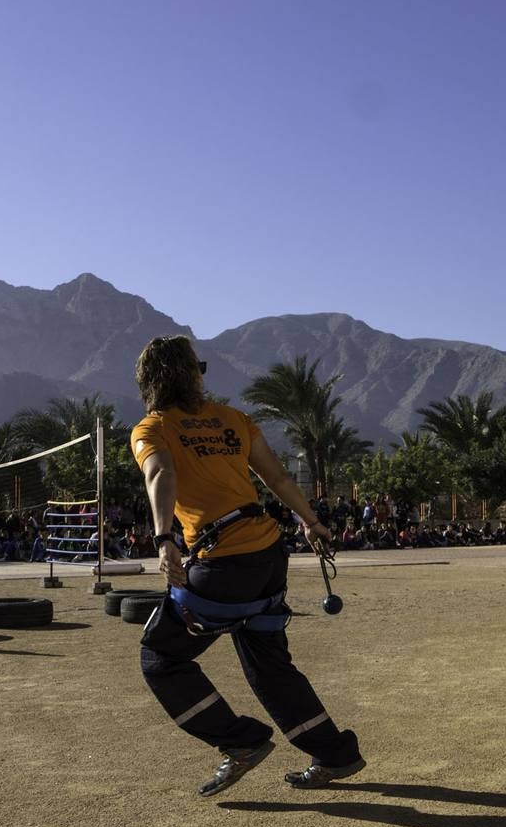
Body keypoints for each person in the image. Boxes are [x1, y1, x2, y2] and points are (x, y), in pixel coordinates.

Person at [131, 335, 364, 798]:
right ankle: (335, 754)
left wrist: (163, 540)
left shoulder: (152, 428)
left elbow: (161, 473)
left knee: (161, 658)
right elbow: (275, 477)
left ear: (149, 381)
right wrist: (313, 522)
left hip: (221, 565)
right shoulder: (234, 420)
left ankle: (241, 742)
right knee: (269, 664)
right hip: (266, 555)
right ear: (193, 374)